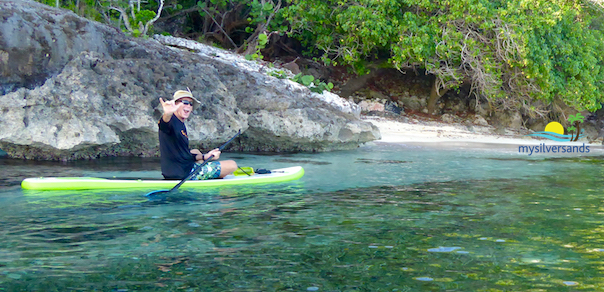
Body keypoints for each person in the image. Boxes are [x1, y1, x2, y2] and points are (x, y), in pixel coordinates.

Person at [158, 89, 238, 180]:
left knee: (195, 152)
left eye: (190, 104)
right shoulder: (170, 121)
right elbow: (163, 125)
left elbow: (185, 155)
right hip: (183, 174)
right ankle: (204, 174)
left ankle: (207, 172)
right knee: (232, 165)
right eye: (184, 102)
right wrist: (167, 113)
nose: (188, 105)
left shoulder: (180, 123)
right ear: (175, 104)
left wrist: (206, 156)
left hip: (176, 169)